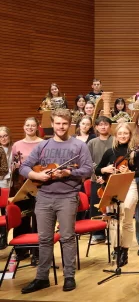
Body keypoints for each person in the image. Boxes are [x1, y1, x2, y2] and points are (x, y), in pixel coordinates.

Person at [19, 109, 93, 294]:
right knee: (44, 239)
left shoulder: (78, 146)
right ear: (52, 124)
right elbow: (24, 167)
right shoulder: (43, 146)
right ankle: (42, 277)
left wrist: (69, 173)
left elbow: (87, 169)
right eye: (58, 123)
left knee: (67, 237)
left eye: (64, 123)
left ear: (70, 125)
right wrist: (37, 175)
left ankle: (69, 276)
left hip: (68, 196)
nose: (61, 127)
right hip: (43, 197)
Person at [95, 122, 139, 267]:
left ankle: (125, 250)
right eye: (120, 134)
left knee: (127, 216)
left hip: (131, 185)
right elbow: (98, 169)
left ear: (130, 135)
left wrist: (129, 172)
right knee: (114, 219)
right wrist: (106, 170)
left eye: (126, 133)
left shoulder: (136, 152)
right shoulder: (110, 152)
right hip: (113, 185)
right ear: (116, 135)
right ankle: (116, 249)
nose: (123, 136)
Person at [8, 118, 44, 261]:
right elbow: (14, 166)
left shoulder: (43, 143)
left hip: (39, 184)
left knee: (38, 218)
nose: (30, 127)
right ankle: (21, 251)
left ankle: (38, 253)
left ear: (37, 127)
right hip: (21, 185)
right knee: (22, 217)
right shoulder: (17, 145)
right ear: (24, 127)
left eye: (33, 125)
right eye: (27, 125)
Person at [86, 116, 113, 245]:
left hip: (112, 179)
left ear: (110, 126)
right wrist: (99, 174)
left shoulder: (115, 141)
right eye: (100, 125)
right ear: (96, 127)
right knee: (96, 207)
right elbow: (87, 161)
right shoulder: (92, 142)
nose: (103, 127)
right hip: (96, 179)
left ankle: (111, 233)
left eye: (106, 124)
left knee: (111, 207)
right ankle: (97, 234)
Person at [0, 127, 10, 250]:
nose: (3, 138)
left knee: (7, 211)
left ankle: (4, 236)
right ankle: (2, 236)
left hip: (10, 183)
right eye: (0, 137)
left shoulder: (14, 148)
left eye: (5, 136)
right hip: (1, 182)